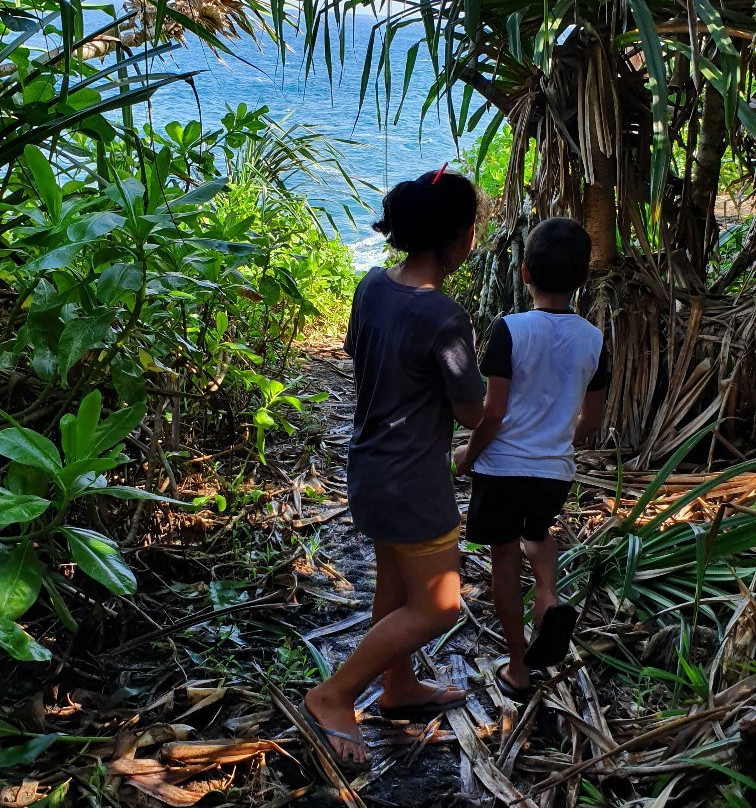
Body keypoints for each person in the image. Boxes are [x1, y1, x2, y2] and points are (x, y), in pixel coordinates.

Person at [299, 167, 485, 770]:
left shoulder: (371, 287)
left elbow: (362, 351)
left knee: (396, 587)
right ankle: (334, 695)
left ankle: (399, 685)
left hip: (370, 465)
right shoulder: (447, 319)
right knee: (439, 607)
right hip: (413, 479)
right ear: (460, 239)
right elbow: (470, 410)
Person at [453, 217, 608, 701]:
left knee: (503, 555)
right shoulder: (596, 339)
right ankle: (548, 595)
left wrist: (466, 454)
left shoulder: (509, 330)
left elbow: (493, 414)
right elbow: (592, 419)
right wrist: (560, 440)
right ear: (582, 278)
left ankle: (518, 668)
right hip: (553, 471)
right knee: (537, 533)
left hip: (501, 469)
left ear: (524, 273)